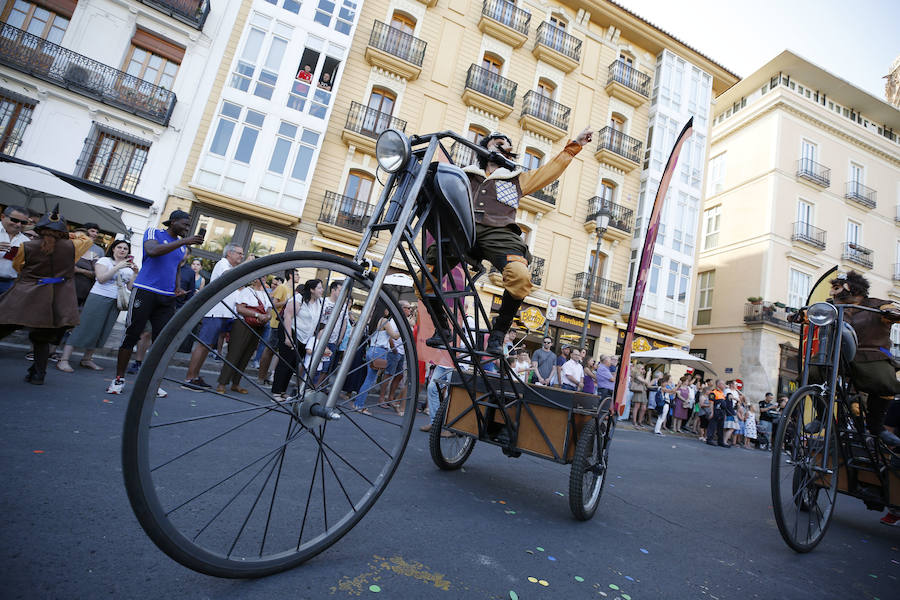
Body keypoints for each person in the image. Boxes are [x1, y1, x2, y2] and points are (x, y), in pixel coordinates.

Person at [425, 127, 594, 355]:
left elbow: (551, 170)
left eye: (507, 145)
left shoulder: (516, 179)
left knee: (520, 275)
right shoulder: (463, 175)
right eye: (498, 142)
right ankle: (443, 329)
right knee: (423, 276)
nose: (503, 145)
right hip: (462, 229)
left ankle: (498, 334)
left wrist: (575, 145)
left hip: (500, 233)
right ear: (485, 147)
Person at [107, 210, 204, 395]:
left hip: (166, 297)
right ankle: (118, 379)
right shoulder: (154, 232)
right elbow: (152, 251)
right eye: (184, 224)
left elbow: (176, 268)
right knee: (132, 334)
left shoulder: (182, 248)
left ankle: (151, 383)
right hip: (145, 291)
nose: (186, 228)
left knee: (161, 341)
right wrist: (185, 240)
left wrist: (176, 287)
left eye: (188, 226)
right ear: (173, 222)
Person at [0, 206, 92, 384]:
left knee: (4, 325)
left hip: (25, 294)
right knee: (41, 338)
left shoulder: (25, 246)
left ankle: (37, 373)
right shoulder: (73, 246)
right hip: (55, 299)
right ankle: (38, 375)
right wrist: (67, 235)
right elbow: (86, 238)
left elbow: (17, 267)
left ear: (39, 229)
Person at [827, 271, 900, 434]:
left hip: (870, 356)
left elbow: (891, 310)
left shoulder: (877, 304)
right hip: (838, 357)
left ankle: (876, 425)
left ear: (853, 289)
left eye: (836, 288)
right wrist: (799, 316)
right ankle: (821, 416)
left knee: (885, 382)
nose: (832, 292)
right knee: (813, 372)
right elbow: (812, 313)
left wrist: (892, 314)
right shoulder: (831, 307)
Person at [57, 239, 137, 372]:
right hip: (98, 297)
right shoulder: (104, 261)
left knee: (102, 330)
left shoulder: (128, 267)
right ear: (113, 249)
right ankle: (64, 359)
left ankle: (87, 359)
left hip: (115, 301)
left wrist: (134, 273)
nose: (122, 250)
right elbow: (101, 278)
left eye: (125, 249)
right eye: (119, 247)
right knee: (84, 327)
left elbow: (129, 287)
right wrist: (118, 267)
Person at [181, 243, 244, 389]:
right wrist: (246, 265)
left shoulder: (229, 266)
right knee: (203, 344)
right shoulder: (223, 264)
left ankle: (195, 376)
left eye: (242, 254)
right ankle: (189, 378)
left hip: (224, 312)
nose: (241, 256)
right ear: (229, 253)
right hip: (216, 311)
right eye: (239, 253)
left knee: (207, 345)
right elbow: (227, 276)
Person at [216, 277, 271, 394]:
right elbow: (240, 308)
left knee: (247, 355)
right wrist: (257, 315)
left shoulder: (266, 293)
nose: (264, 279)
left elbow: (269, 310)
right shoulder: (247, 291)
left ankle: (236, 383)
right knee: (234, 354)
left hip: (258, 326)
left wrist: (267, 316)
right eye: (262, 277)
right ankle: (222, 383)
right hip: (243, 324)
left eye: (266, 276)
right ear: (255, 278)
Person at [273, 279, 324, 399]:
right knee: (285, 362)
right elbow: (288, 316)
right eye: (319, 288)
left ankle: (282, 391)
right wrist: (288, 336)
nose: (322, 290)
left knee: (293, 365)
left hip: (304, 337)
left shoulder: (319, 302)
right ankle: (276, 392)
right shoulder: (299, 299)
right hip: (292, 331)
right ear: (312, 290)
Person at [353, 307, 398, 413]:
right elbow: (395, 336)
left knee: (368, 379)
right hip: (379, 351)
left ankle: (358, 403)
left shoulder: (375, 320)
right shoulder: (384, 321)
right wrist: (406, 330)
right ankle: (359, 405)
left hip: (372, 349)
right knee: (370, 380)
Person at [0, 205, 31, 294]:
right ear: (2, 217)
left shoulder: (26, 241)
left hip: (10, 283)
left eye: (23, 222)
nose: (18, 224)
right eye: (14, 220)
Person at [706, 379, 729, 447]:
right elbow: (711, 403)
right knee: (712, 426)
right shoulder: (713, 392)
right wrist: (711, 412)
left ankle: (720, 441)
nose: (724, 385)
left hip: (722, 412)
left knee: (720, 428)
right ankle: (709, 439)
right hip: (715, 411)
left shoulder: (722, 393)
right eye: (723, 384)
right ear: (718, 385)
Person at [630, 363, 650, 428]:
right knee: (637, 406)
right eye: (642, 368)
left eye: (644, 369)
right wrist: (648, 375)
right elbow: (645, 382)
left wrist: (648, 376)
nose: (644, 370)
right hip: (638, 391)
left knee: (644, 408)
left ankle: (640, 421)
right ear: (638, 369)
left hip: (643, 391)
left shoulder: (641, 375)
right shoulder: (637, 374)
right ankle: (634, 421)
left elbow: (648, 384)